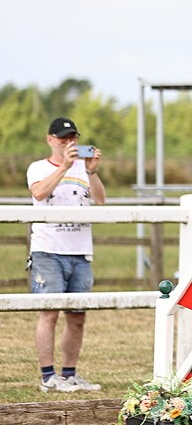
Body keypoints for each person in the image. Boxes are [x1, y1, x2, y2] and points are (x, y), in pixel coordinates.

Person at [28, 117, 105, 392]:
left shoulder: (85, 170)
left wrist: (92, 171)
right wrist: (64, 167)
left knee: (78, 316)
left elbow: (100, 200)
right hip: (49, 249)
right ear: (50, 140)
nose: (68, 142)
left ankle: (70, 374)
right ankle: (48, 377)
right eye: (62, 138)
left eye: (72, 137)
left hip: (80, 251)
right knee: (49, 313)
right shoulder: (38, 167)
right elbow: (39, 192)